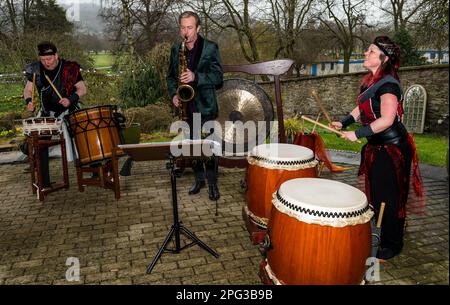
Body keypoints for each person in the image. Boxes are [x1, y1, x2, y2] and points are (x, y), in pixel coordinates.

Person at [331, 36, 423, 260]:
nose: (366, 53)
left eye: (371, 51)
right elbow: (361, 106)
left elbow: (388, 119)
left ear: (384, 58)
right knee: (380, 195)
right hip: (378, 147)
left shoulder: (389, 84)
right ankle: (385, 230)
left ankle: (392, 244)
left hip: (392, 149)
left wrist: (357, 134)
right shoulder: (372, 82)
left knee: (390, 198)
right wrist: (344, 122)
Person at [167, 11, 223, 201]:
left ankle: (213, 184)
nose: (186, 31)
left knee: (208, 148)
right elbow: (170, 77)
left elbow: (218, 78)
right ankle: (199, 180)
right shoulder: (176, 49)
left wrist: (196, 77)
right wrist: (174, 93)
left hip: (205, 107)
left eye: (190, 27)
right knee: (192, 148)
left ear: (198, 28)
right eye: (183, 27)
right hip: (186, 108)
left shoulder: (210, 48)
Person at [23, 41, 87, 189]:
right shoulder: (35, 69)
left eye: (50, 59)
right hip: (47, 114)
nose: (47, 63)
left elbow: (82, 89)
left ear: (56, 56)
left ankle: (94, 167)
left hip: (69, 110)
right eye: (43, 60)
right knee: (41, 143)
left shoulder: (70, 68)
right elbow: (28, 90)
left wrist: (70, 99)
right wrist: (29, 102)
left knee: (83, 136)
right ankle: (44, 181)